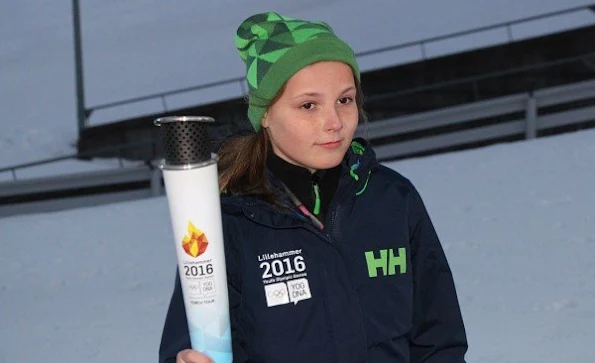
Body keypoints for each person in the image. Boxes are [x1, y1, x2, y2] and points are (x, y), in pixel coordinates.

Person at [160, 12, 467, 363]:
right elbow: (187, 345)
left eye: (345, 100)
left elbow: (439, 340)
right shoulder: (228, 223)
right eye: (309, 105)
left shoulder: (393, 199)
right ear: (265, 114)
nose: (334, 122)